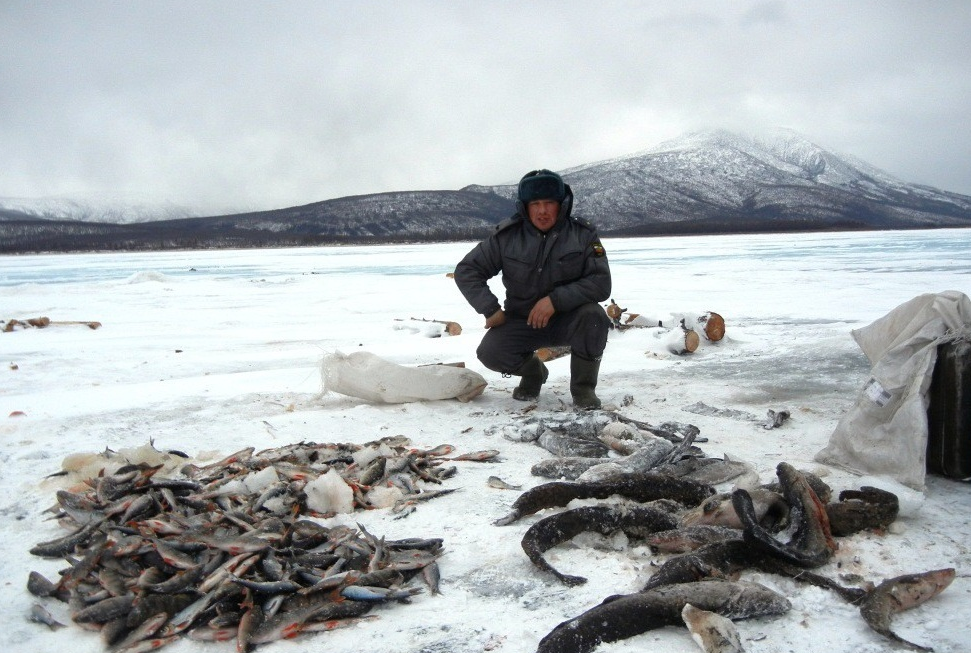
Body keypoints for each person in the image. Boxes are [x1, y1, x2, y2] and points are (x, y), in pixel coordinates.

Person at [453, 169, 612, 409]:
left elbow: (600, 282)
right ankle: (534, 373)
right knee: (490, 352)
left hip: (569, 319)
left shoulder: (582, 235)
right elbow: (467, 271)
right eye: (535, 204)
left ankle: (583, 389)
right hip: (523, 321)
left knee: (595, 317)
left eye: (549, 203)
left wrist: (556, 300)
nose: (542, 211)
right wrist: (490, 308)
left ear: (562, 204)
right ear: (524, 206)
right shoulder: (506, 237)